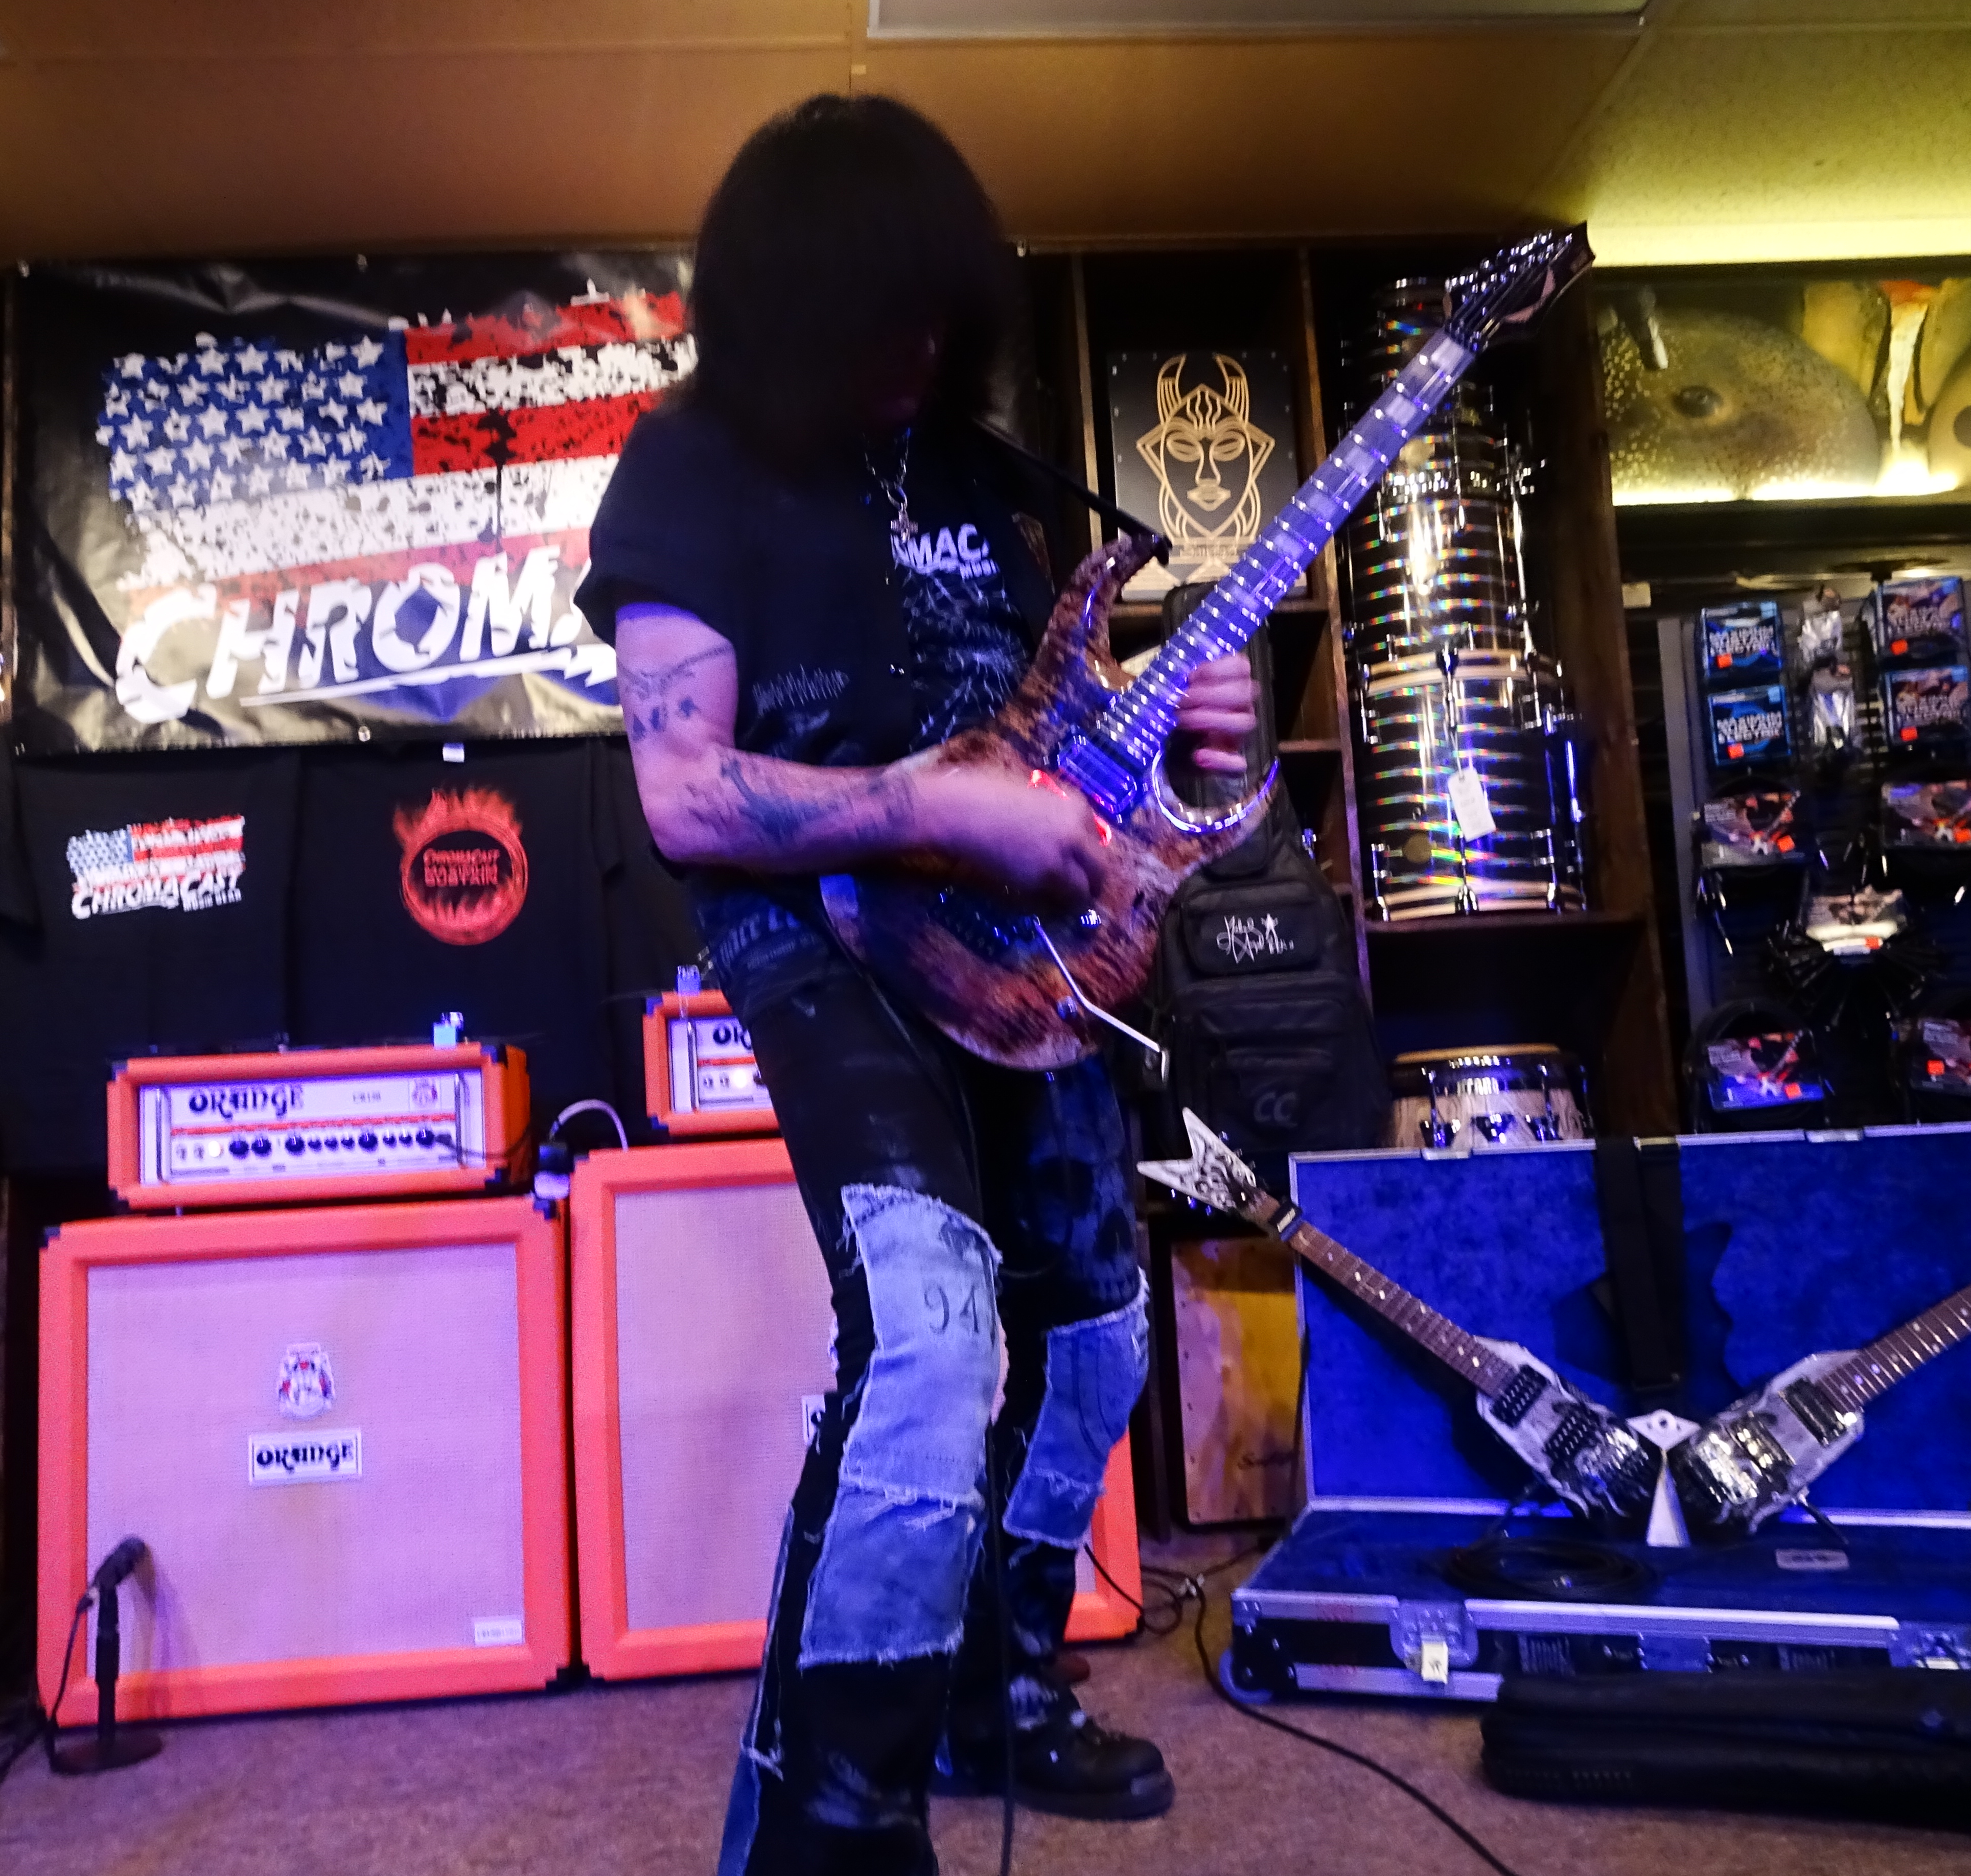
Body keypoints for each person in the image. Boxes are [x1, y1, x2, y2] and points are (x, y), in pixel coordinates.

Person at [581, 93, 1260, 1876]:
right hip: (819, 934)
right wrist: (923, 809)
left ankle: (997, 1693)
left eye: (943, 321)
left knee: (1096, 1344)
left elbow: (1086, 766)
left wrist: (1199, 746)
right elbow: (683, 791)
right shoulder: (693, 466)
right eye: (883, 321)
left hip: (1030, 964)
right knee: (935, 1331)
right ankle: (835, 1822)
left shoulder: (996, 481)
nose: (920, 355)